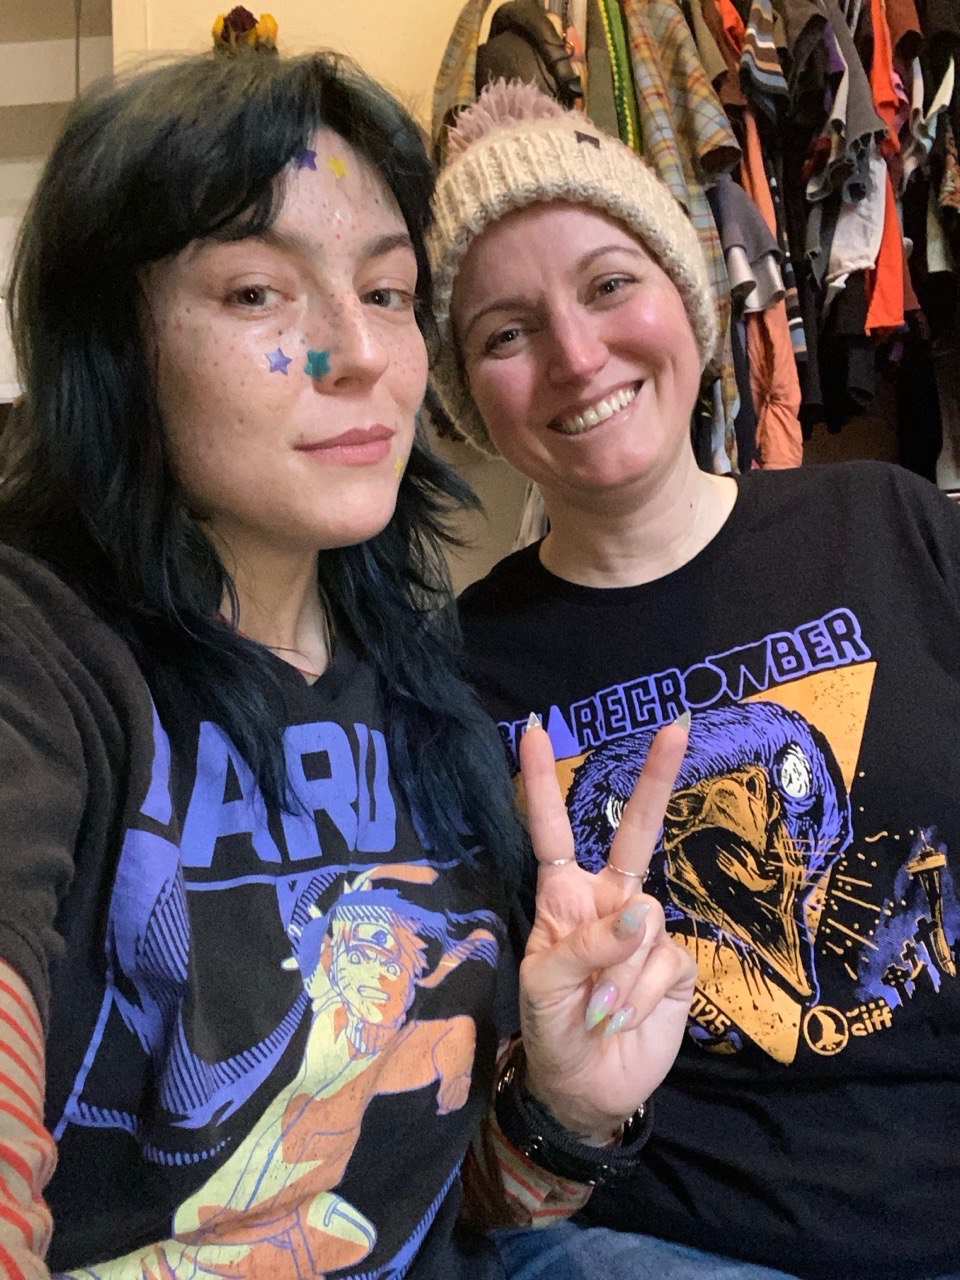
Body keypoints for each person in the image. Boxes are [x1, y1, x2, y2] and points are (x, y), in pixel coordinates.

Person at [0, 48, 697, 1279]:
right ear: (111, 341)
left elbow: (415, 1198)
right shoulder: (39, 654)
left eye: (386, 291)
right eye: (257, 292)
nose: (359, 353)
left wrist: (567, 1106)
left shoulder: (435, 694)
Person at [427, 79, 960, 1280]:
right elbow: (477, 1159)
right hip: (652, 1243)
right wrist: (562, 1099)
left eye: (610, 283)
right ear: (466, 394)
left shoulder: (895, 526)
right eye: (505, 332)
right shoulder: (447, 677)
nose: (577, 356)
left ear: (687, 293)